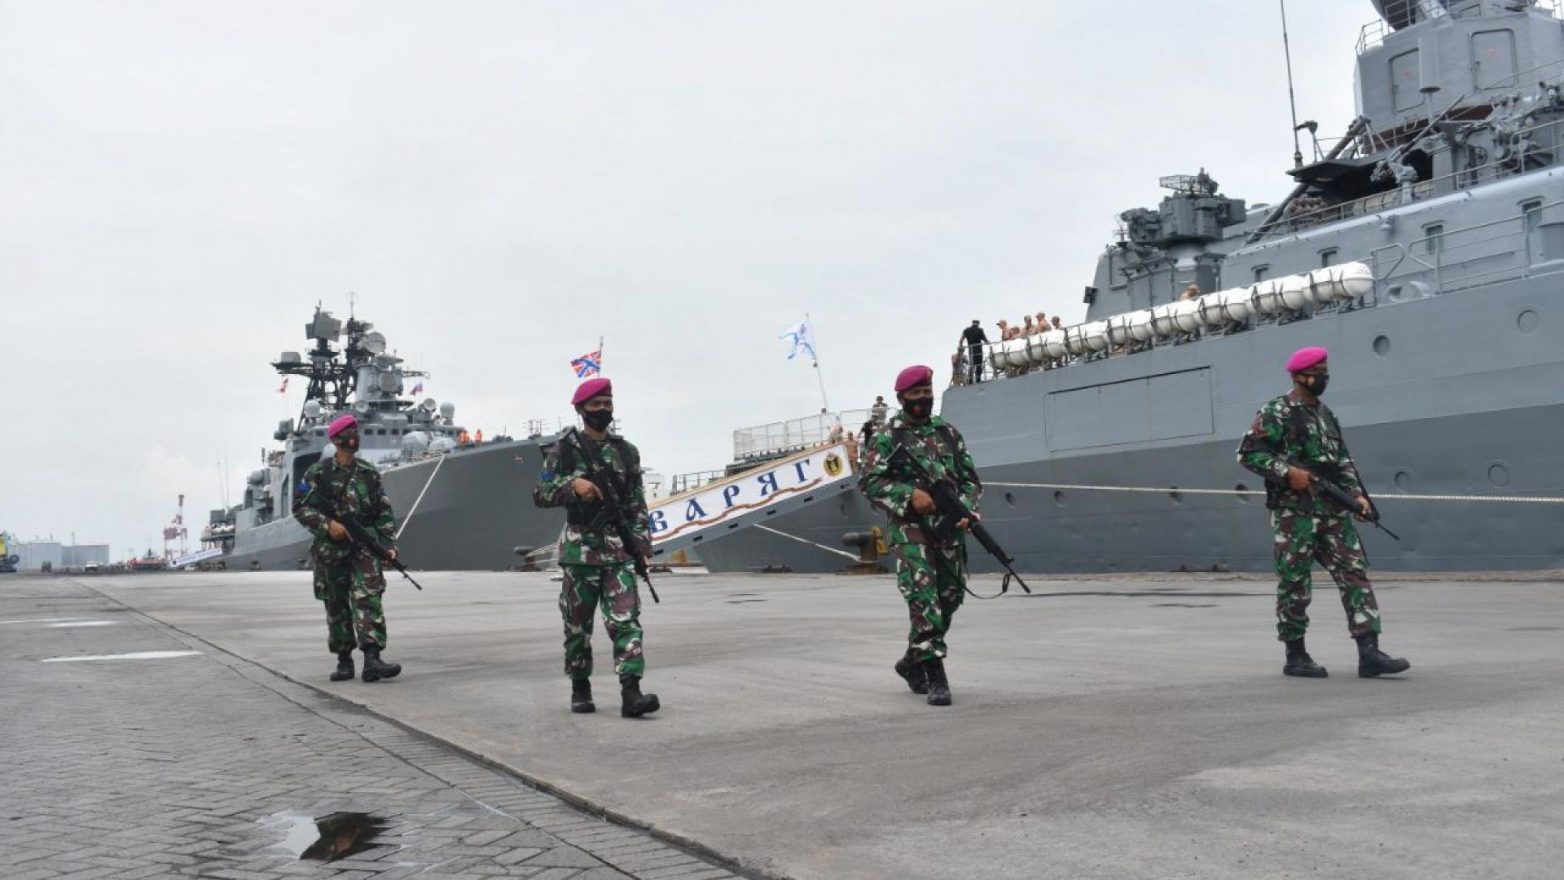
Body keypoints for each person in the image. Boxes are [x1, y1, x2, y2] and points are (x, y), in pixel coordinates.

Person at [1237, 347, 1411, 680]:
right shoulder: (1277, 411)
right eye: (1317, 371)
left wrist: (1358, 498)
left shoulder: (1327, 415)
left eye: (1325, 370)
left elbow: (1343, 461)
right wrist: (1288, 473)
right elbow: (1247, 454)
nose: (1323, 377)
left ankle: (1369, 652)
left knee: (1355, 573)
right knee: (1295, 582)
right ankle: (1296, 654)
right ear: (1297, 376)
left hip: (1332, 511)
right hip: (1295, 514)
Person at [533, 378, 660, 717]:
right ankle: (580, 686)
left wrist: (642, 546)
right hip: (580, 553)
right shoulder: (564, 451)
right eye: (596, 405)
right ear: (580, 409)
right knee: (577, 625)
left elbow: (636, 503)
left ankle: (631, 693)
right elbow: (540, 494)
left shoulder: (626, 451)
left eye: (607, 403)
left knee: (626, 620)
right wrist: (573, 485)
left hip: (619, 551)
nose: (603, 410)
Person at [858, 365, 982, 707]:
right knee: (924, 597)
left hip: (949, 529)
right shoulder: (886, 438)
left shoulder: (948, 433)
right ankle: (935, 674)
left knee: (950, 596)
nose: (923, 400)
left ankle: (912, 661)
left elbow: (971, 480)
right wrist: (908, 495)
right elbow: (870, 483)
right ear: (901, 398)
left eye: (927, 393)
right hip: (910, 529)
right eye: (916, 395)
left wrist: (967, 509)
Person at [292, 414, 403, 684]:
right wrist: (327, 524)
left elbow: (383, 511)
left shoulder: (368, 472)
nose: (356, 435)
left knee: (368, 597)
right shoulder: (317, 473)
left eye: (356, 430)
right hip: (331, 548)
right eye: (350, 431)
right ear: (337, 439)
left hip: (363, 545)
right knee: (337, 603)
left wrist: (388, 546)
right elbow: (300, 507)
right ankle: (344, 661)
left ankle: (373, 659)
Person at [959, 320, 988, 385]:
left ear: (972, 323)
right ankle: (978, 379)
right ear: (978, 324)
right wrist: (988, 343)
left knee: (972, 365)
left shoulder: (966, 330)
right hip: (978, 350)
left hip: (971, 351)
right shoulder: (980, 330)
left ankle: (970, 380)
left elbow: (961, 340)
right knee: (979, 365)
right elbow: (984, 339)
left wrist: (961, 347)